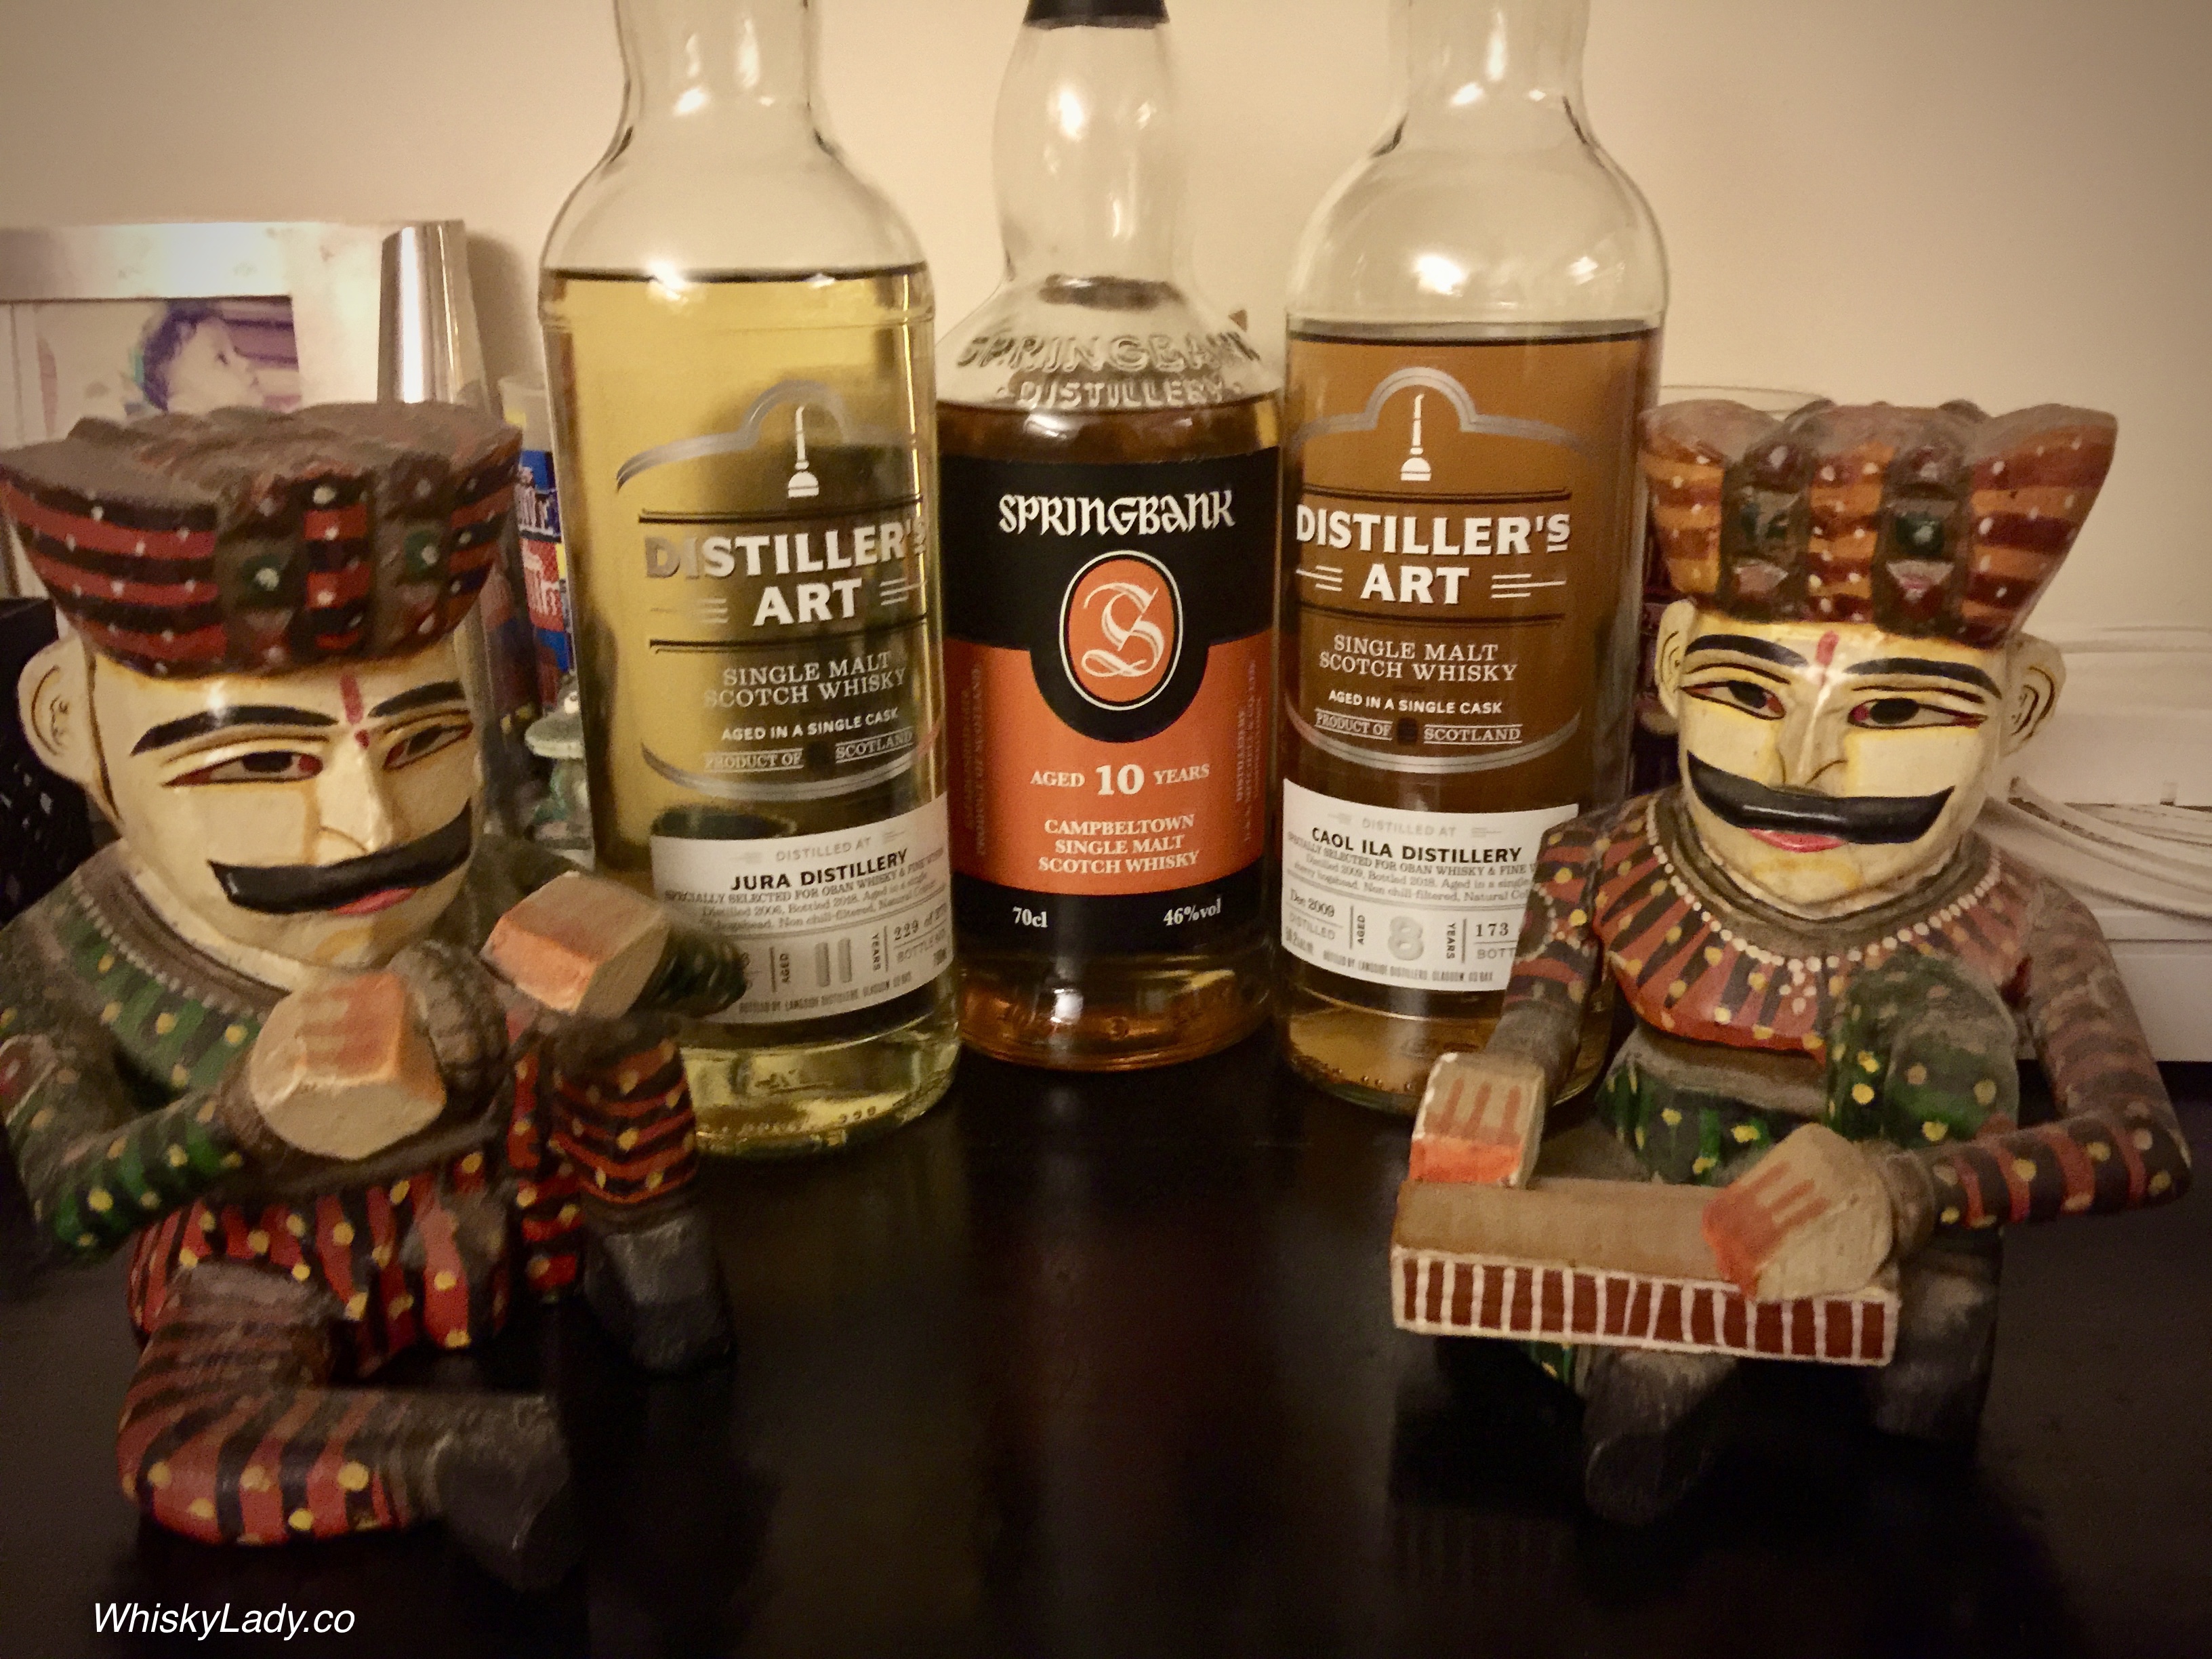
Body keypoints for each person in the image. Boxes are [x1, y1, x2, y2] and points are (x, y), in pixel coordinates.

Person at [0, 402, 744, 1585]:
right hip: (261, 1270)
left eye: (421, 741)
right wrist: (243, 1117)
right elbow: (76, 1200)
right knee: (181, 1450)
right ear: (70, 724)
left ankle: (652, 1266)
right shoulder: (62, 955)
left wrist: (637, 954)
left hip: (521, 1205)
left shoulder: (485, 878)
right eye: (260, 762)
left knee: (616, 1039)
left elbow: (719, 976)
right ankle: (443, 1457)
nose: (372, 825)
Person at [1414, 398, 2192, 1522]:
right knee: (1487, 1262)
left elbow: (2144, 1142)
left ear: (2019, 710)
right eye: (1748, 693)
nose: (1804, 761)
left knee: (1940, 1054)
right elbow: (1539, 1017)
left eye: (1895, 710)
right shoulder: (1599, 855)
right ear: (1672, 668)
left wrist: (1909, 1190)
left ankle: (1782, 1354)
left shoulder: (2026, 917)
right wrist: (1508, 1073)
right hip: (1641, 1179)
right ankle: (1664, 1363)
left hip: (1905, 1222)